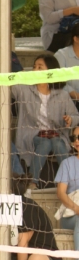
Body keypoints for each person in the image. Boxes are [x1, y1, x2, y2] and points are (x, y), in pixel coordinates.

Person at [12, 53, 77, 186]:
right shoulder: (24, 90)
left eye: (40, 67)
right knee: (46, 143)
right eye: (34, 66)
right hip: (32, 135)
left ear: (51, 71)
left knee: (57, 143)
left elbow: (75, 116)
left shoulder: (62, 94)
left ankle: (72, 182)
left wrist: (70, 119)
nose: (35, 70)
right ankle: (32, 183)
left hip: (56, 135)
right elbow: (3, 85)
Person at [12, 174, 60, 260]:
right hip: (15, 255)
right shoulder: (0, 207)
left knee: (36, 259)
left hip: (43, 257)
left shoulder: (27, 206)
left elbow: (23, 241)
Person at [55, 125, 79, 250]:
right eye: (73, 138)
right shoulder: (67, 163)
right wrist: (77, 209)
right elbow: (61, 193)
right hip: (71, 214)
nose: (76, 141)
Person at [53, 23, 79, 100]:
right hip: (68, 101)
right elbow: (58, 81)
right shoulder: (61, 55)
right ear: (76, 39)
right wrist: (75, 95)